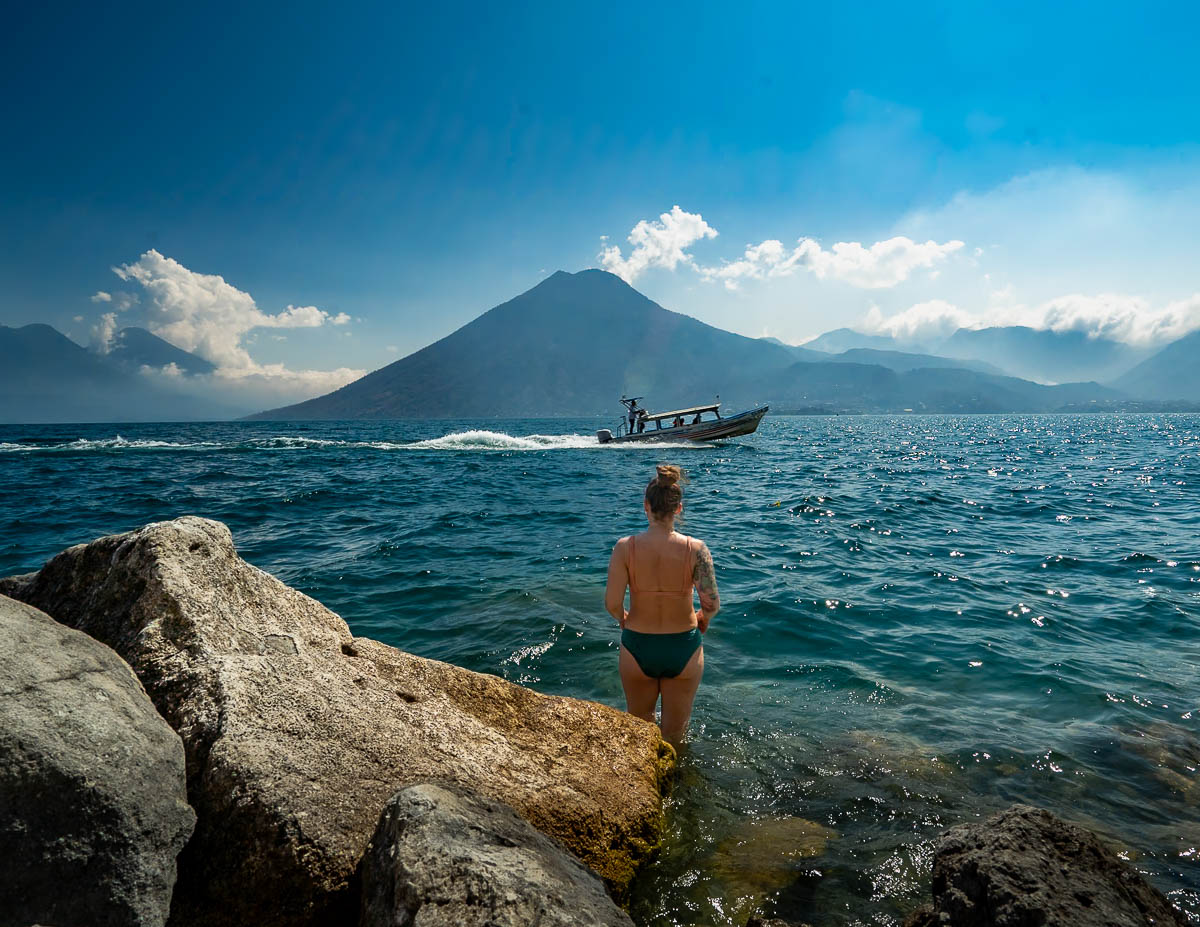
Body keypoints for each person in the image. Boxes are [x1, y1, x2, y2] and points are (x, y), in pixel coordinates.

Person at [605, 464, 720, 748]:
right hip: (684, 646)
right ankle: (674, 784)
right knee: (676, 734)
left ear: (646, 506)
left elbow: (612, 604)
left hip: (637, 645)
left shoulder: (625, 548)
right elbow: (712, 603)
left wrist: (623, 618)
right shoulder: (696, 549)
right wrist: (703, 618)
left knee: (638, 728)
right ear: (678, 508)